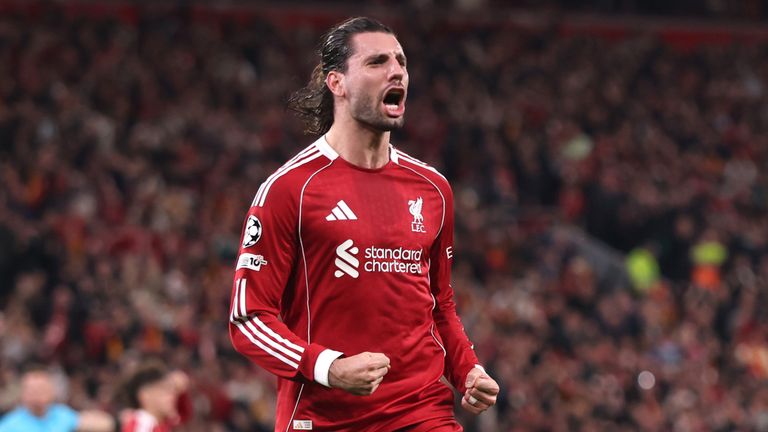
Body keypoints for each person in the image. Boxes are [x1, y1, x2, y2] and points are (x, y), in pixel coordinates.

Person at [228, 16, 499, 431]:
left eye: (401, 61)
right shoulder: (290, 189)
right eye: (377, 62)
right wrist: (329, 367)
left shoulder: (433, 189)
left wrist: (467, 370)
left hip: (421, 412)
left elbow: (440, 304)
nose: (397, 71)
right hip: (325, 418)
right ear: (337, 83)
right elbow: (248, 319)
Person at [0, 365, 114, 432]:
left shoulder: (61, 414)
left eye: (42, 388)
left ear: (51, 392)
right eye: (32, 390)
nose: (37, 394)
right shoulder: (9, 425)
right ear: (23, 394)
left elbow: (105, 424)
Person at [117, 362, 190, 432]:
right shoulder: (142, 425)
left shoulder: (157, 424)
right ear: (145, 395)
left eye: (172, 391)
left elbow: (184, 414)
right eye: (164, 389)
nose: (172, 396)